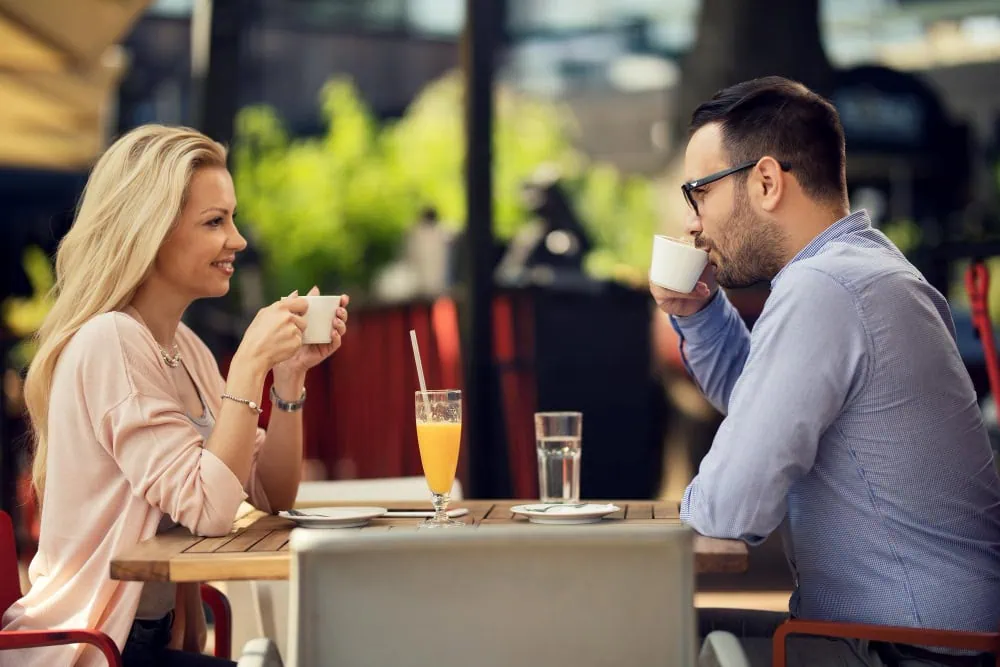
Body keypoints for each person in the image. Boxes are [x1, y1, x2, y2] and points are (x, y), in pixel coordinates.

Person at [650, 77, 1000, 667]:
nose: (694, 223)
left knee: (651, 637)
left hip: (910, 651)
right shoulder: (862, 266)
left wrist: (697, 492)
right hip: (916, 637)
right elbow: (763, 404)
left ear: (766, 182)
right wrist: (704, 313)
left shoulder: (824, 288)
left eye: (699, 192)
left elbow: (729, 512)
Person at [2, 125, 349, 667]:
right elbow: (210, 510)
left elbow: (269, 492)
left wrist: (287, 381)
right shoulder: (110, 341)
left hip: (151, 641)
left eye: (231, 219)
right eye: (215, 222)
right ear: (151, 233)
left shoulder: (185, 347)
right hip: (92, 650)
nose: (238, 239)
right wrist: (250, 365)